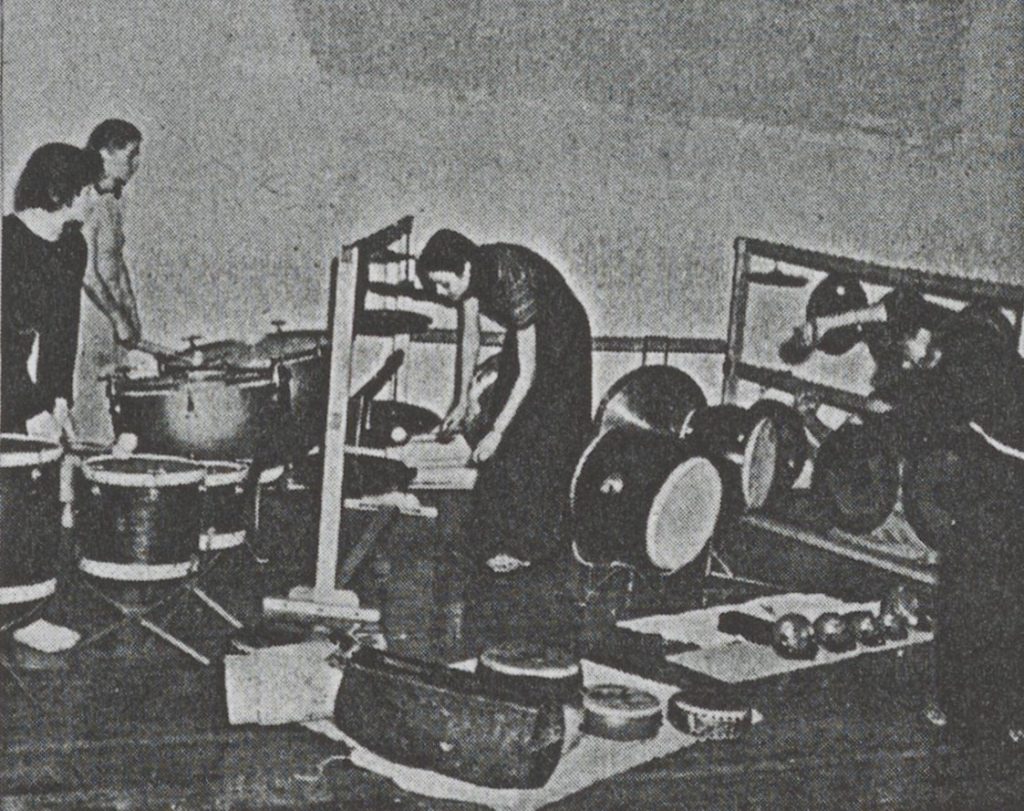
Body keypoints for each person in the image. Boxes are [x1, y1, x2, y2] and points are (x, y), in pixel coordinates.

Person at [796, 286, 1024, 746]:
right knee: (964, 586)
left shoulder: (966, 363)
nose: (907, 363)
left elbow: (924, 408)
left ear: (923, 338)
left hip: (1013, 480)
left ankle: (1008, 710)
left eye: (907, 354)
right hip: (993, 476)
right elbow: (897, 305)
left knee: (1000, 599)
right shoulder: (946, 334)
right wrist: (824, 326)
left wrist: (889, 414)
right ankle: (957, 699)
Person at [417, 229, 592, 574]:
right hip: (526, 335)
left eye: (443, 284)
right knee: (504, 434)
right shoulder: (473, 275)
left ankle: (530, 546)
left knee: (538, 438)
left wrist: (497, 430)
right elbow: (470, 339)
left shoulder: (512, 276)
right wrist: (462, 399)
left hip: (564, 337)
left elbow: (528, 373)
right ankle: (490, 536)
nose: (439, 293)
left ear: (464, 269)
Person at [2, 143, 103, 437]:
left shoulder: (73, 247)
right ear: (59, 192)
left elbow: (63, 333)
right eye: (86, 191)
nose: (92, 201)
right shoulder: (7, 242)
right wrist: (30, 409)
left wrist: (59, 402)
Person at [73, 119, 145, 441]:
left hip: (113, 320)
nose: (136, 164)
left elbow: (116, 263)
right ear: (105, 153)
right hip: (90, 320)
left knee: (118, 410)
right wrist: (117, 318)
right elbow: (87, 272)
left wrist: (130, 311)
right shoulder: (82, 199)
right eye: (130, 156)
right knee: (92, 417)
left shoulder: (114, 201)